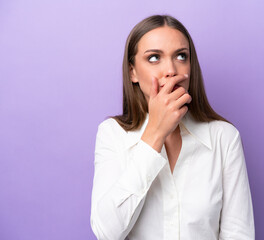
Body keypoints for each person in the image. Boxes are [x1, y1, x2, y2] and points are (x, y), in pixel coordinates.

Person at [90, 14, 255, 240]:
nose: (171, 70)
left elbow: (239, 234)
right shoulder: (112, 134)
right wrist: (154, 135)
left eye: (180, 56)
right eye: (154, 58)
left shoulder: (223, 138)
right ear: (133, 72)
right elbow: (106, 232)